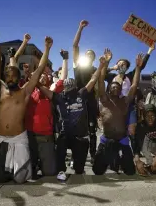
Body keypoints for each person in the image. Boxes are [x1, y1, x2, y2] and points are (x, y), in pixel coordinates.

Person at [0, 36, 53, 184]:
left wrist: (47, 49)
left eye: (14, 76)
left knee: (20, 179)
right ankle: (6, 168)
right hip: (1, 138)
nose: (10, 79)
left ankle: (17, 169)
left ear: (20, 79)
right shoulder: (0, 89)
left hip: (19, 138)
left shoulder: (24, 92)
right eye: (8, 76)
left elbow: (39, 70)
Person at [37, 50, 109, 181]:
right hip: (65, 135)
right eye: (66, 86)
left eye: (72, 86)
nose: (69, 88)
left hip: (80, 137)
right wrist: (35, 80)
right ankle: (61, 170)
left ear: (75, 86)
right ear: (63, 88)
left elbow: (93, 80)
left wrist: (101, 66)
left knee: (79, 169)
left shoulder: (81, 93)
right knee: (60, 147)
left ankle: (77, 165)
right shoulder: (59, 97)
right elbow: (44, 89)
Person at [92, 52, 144, 176]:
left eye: (118, 87)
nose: (115, 88)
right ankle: (112, 160)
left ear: (121, 90)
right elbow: (100, 80)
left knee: (130, 172)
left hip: (122, 140)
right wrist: (104, 64)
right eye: (113, 87)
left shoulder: (125, 101)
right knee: (97, 171)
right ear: (109, 88)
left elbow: (135, 85)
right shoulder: (104, 100)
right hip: (106, 140)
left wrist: (137, 67)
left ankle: (117, 160)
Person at [105, 44, 155, 162]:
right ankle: (114, 156)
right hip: (114, 109)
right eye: (120, 64)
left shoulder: (130, 76)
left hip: (129, 106)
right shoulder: (111, 76)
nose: (122, 66)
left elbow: (140, 67)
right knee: (116, 131)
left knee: (132, 131)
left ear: (127, 67)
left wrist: (149, 51)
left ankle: (135, 155)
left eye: (124, 65)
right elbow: (101, 72)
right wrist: (112, 66)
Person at [24, 49, 67, 178]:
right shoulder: (28, 89)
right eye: (40, 74)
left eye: (45, 74)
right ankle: (34, 164)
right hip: (29, 134)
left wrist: (65, 59)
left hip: (45, 136)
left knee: (49, 172)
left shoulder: (51, 90)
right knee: (28, 173)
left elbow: (63, 78)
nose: (43, 75)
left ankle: (42, 163)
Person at [72, 19, 99, 164]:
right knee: (77, 129)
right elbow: (75, 46)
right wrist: (80, 28)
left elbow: (105, 72)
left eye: (91, 55)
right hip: (77, 100)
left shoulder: (95, 70)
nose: (89, 55)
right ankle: (77, 156)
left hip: (91, 101)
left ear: (93, 58)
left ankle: (93, 155)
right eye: (87, 54)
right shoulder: (78, 65)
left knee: (92, 130)